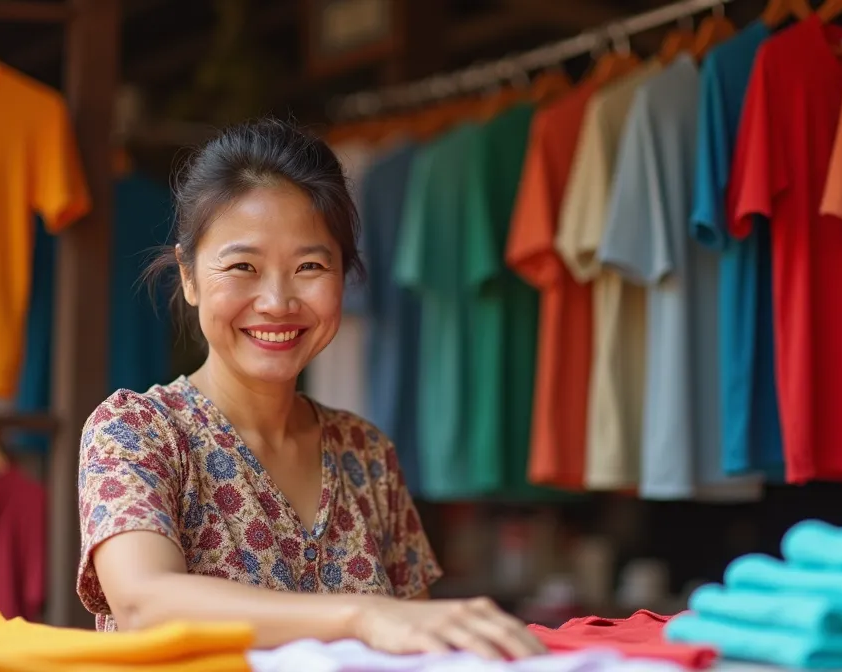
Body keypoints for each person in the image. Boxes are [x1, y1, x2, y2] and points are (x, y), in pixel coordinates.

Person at [76, 118, 546, 660]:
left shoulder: (366, 454)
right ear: (189, 275)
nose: (277, 301)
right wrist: (360, 614)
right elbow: (143, 603)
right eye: (243, 267)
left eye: (309, 266)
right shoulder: (135, 433)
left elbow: (418, 645)